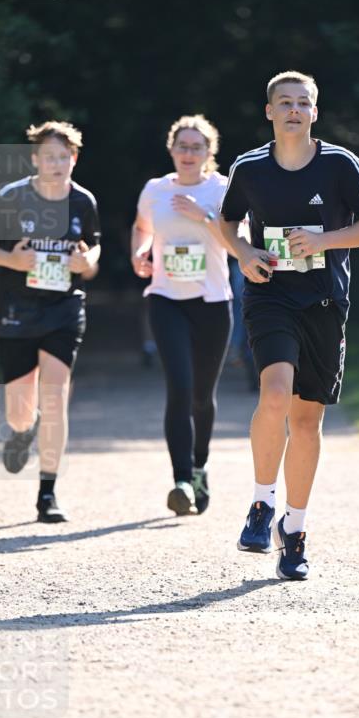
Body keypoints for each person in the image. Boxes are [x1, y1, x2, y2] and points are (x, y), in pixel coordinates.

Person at [220, 70, 359, 580]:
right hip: (270, 295)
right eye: (285, 103)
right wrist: (246, 252)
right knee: (274, 393)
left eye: (303, 103)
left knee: (306, 422)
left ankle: (293, 532)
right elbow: (226, 223)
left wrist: (323, 241)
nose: (294, 110)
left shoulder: (340, 164)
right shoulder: (249, 167)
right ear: (269, 111)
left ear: (314, 112)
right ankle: (260, 506)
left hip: (323, 302)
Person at [0, 121, 101, 522]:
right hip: (17, 311)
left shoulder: (83, 202)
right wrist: (11, 259)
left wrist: (86, 262)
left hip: (64, 309)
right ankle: (23, 431)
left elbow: (93, 253)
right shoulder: (13, 197)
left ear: (74, 159)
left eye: (64, 157)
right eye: (49, 157)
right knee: (20, 408)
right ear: (35, 159)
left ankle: (47, 493)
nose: (57, 163)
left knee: (56, 395)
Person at [130, 114, 232, 516]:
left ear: (209, 153)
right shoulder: (155, 189)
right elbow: (142, 227)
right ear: (171, 149)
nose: (189, 153)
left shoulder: (222, 189)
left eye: (197, 147)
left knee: (202, 397)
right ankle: (182, 482)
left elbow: (239, 240)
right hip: (166, 299)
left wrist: (202, 217)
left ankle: (200, 466)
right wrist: (140, 251)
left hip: (211, 302)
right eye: (182, 146)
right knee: (180, 389)